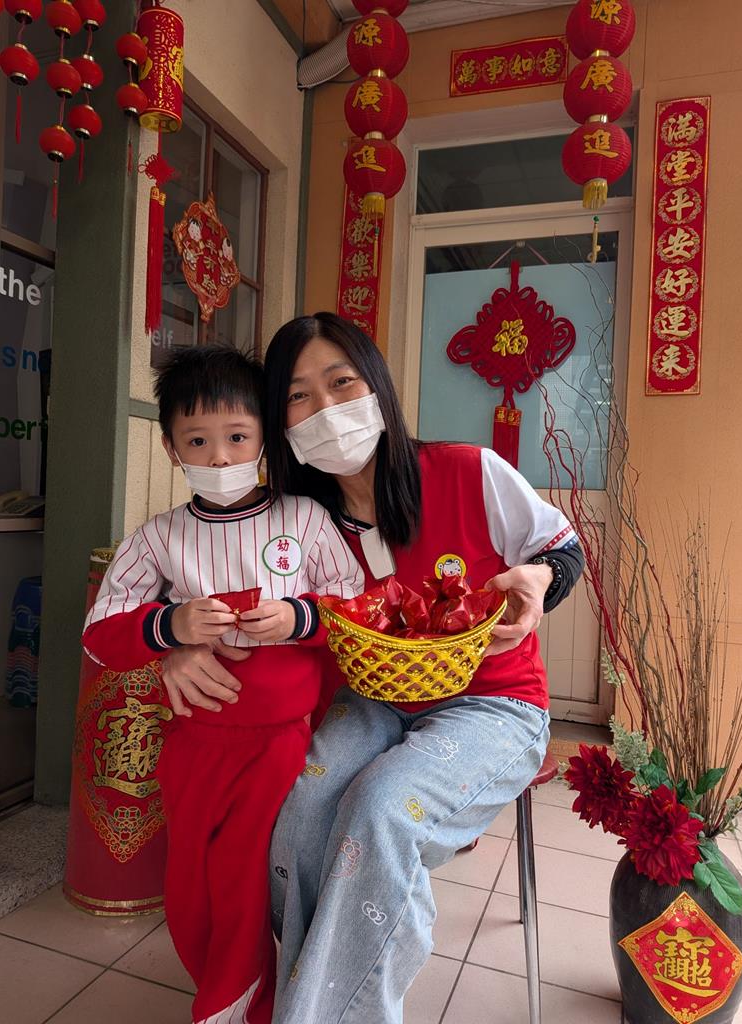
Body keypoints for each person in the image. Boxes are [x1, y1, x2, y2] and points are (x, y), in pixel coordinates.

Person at [161, 314, 584, 1024]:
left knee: (381, 809)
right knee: (298, 816)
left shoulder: (469, 472)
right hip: (372, 700)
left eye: (341, 383)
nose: (324, 409)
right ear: (278, 422)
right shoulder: (295, 522)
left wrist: (540, 579)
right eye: (298, 396)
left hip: (494, 704)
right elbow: (211, 591)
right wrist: (178, 642)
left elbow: (562, 550)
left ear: (378, 386)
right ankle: (315, 994)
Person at [81, 345, 363, 1024]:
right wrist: (170, 625)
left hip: (278, 742)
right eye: (197, 441)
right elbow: (99, 632)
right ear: (171, 448)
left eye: (237, 437)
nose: (218, 456)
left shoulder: (305, 519)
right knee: (188, 883)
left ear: (265, 435)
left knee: (241, 876)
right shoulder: (159, 538)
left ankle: (234, 1007)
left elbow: (357, 605)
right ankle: (223, 991)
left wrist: (298, 617)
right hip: (193, 743)